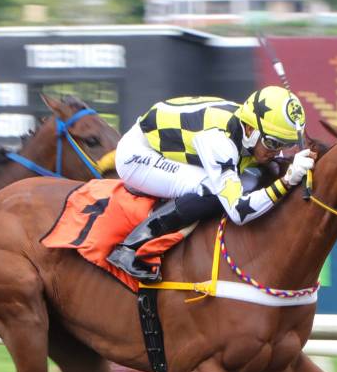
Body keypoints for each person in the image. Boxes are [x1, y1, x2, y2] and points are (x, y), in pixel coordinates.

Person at [107, 85, 314, 281]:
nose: (277, 152)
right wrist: (287, 181)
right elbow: (238, 211)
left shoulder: (248, 128)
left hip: (168, 138)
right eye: (273, 143)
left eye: (285, 145)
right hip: (138, 154)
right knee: (211, 189)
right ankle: (130, 248)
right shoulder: (220, 142)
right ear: (250, 130)